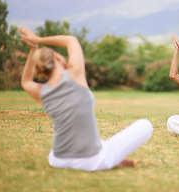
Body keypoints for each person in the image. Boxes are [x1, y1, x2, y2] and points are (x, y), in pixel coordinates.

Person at [19, 26, 153, 171]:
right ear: (57, 58)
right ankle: (110, 159)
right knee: (145, 125)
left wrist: (33, 49)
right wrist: (38, 39)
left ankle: (108, 156)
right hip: (90, 161)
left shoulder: (42, 92)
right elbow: (71, 40)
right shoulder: (74, 73)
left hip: (58, 159)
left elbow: (25, 82)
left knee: (97, 143)